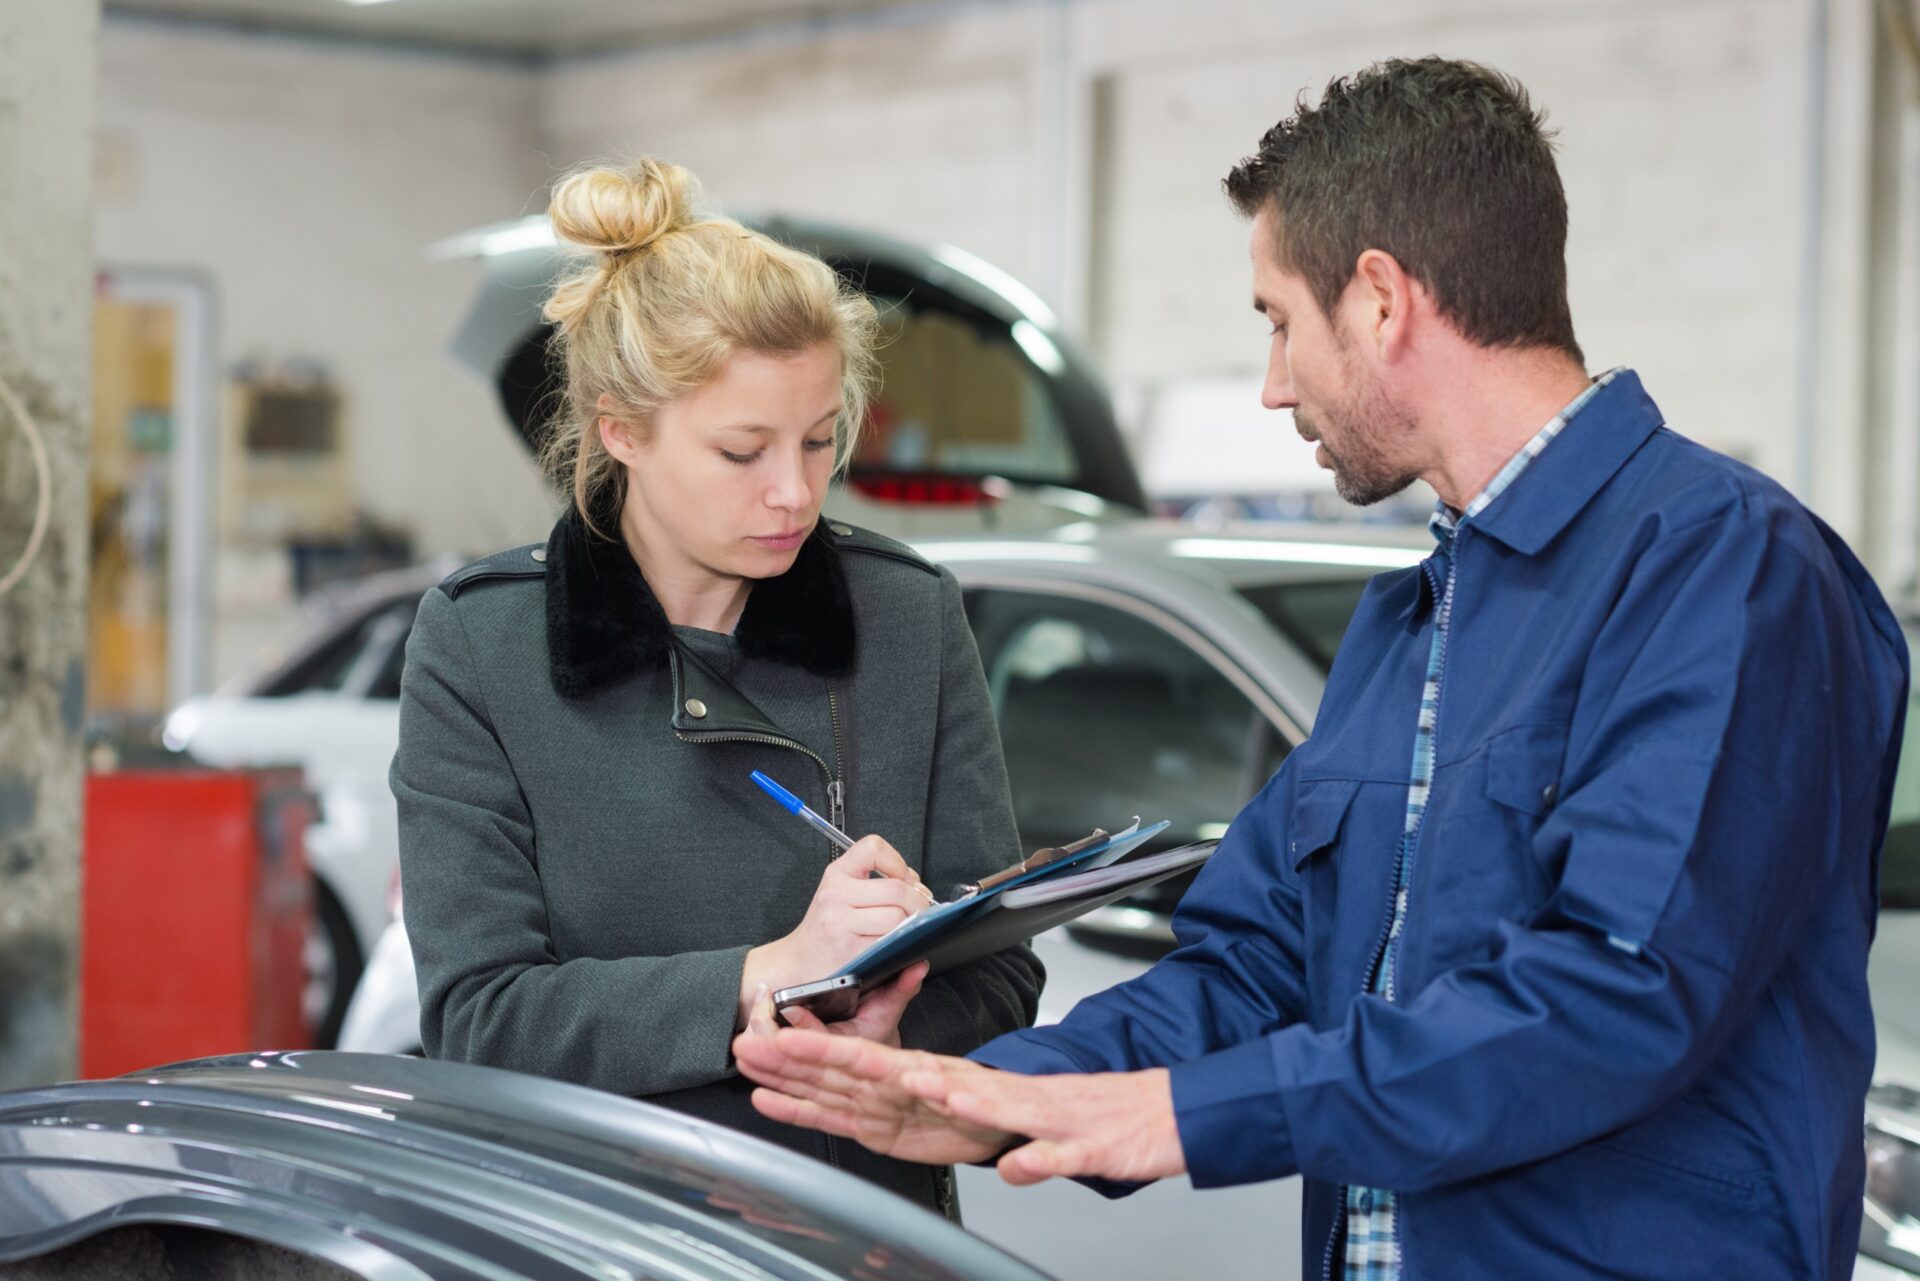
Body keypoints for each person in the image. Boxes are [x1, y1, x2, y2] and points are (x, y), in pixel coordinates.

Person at [731, 57, 1910, 1279]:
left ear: (1383, 300)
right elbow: (1256, 963)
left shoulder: (1725, 571)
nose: (1274, 382)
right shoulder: (1413, 623)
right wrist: (986, 1092)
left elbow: (1615, 992)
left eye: (1280, 322)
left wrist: (1179, 1119)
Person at [390, 157, 1043, 1216]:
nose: (794, 491)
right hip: (603, 1228)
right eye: (743, 450)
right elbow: (479, 1020)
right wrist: (765, 974)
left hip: (860, 1226)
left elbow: (1003, 979)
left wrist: (893, 1021)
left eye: (821, 441)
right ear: (620, 429)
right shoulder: (481, 647)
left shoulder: (909, 618)